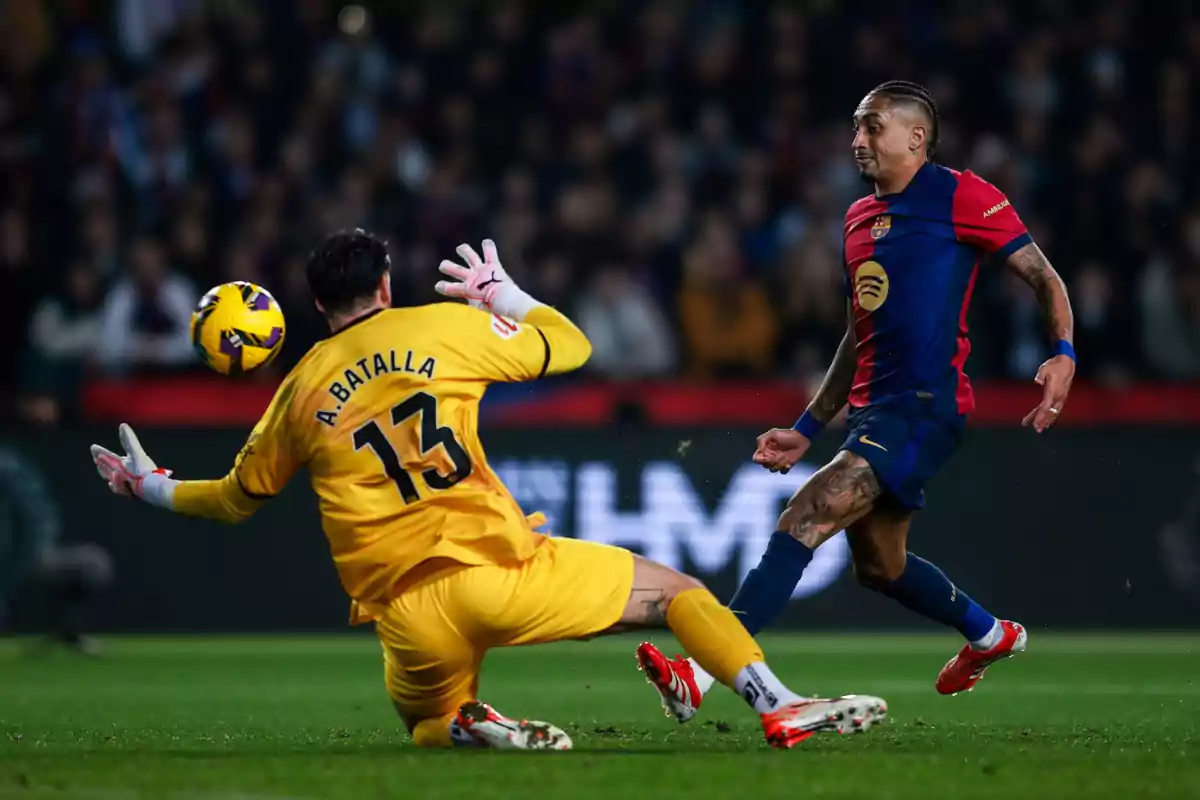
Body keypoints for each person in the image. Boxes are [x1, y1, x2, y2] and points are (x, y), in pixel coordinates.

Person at [90, 230, 888, 750]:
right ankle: (776, 702)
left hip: (405, 615)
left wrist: (149, 487)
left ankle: (471, 728)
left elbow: (235, 499)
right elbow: (570, 347)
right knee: (678, 593)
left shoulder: (296, 395)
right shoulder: (443, 330)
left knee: (425, 722)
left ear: (314, 306)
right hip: (501, 573)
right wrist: (501, 292)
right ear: (388, 283)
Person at [637, 80, 1075, 723]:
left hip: (927, 405)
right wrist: (808, 427)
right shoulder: (857, 218)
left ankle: (699, 676)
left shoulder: (963, 195)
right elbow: (856, 333)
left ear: (915, 137)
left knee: (807, 514)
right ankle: (991, 635)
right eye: (855, 128)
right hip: (874, 411)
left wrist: (1064, 352)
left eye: (872, 127)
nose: (858, 140)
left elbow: (1042, 274)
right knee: (881, 567)